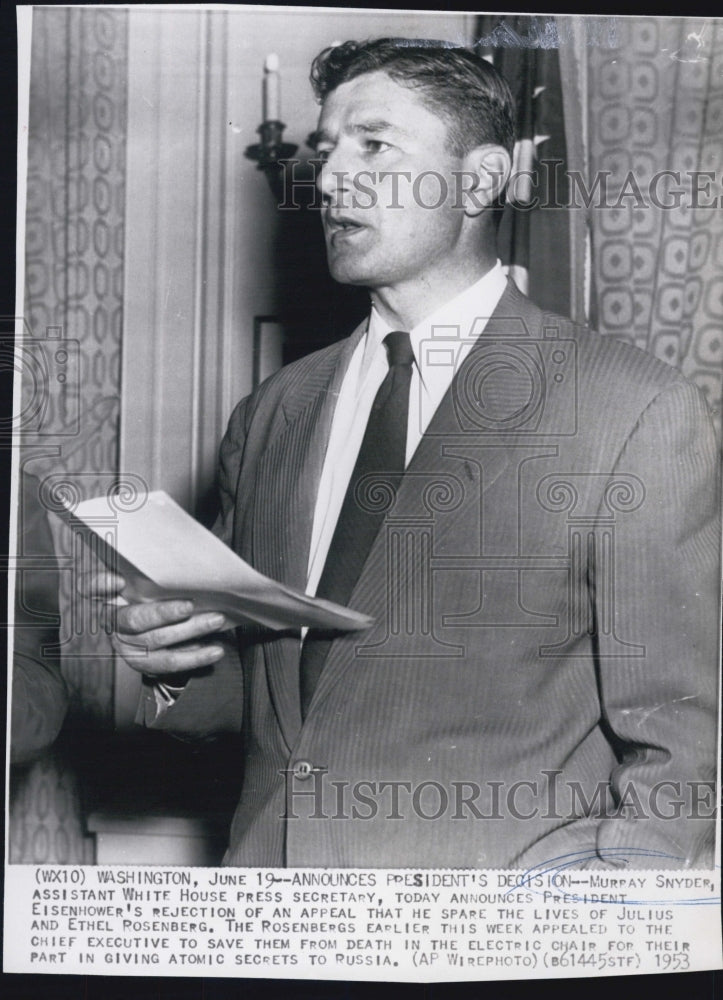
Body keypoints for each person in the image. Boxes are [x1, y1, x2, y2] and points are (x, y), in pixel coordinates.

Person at [93, 39, 719, 869]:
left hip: (500, 945)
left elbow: (682, 732)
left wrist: (604, 923)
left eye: (373, 145)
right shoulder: (275, 412)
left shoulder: (631, 408)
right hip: (276, 922)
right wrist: (171, 658)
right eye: (323, 151)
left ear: (482, 176)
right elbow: (272, 701)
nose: (326, 179)